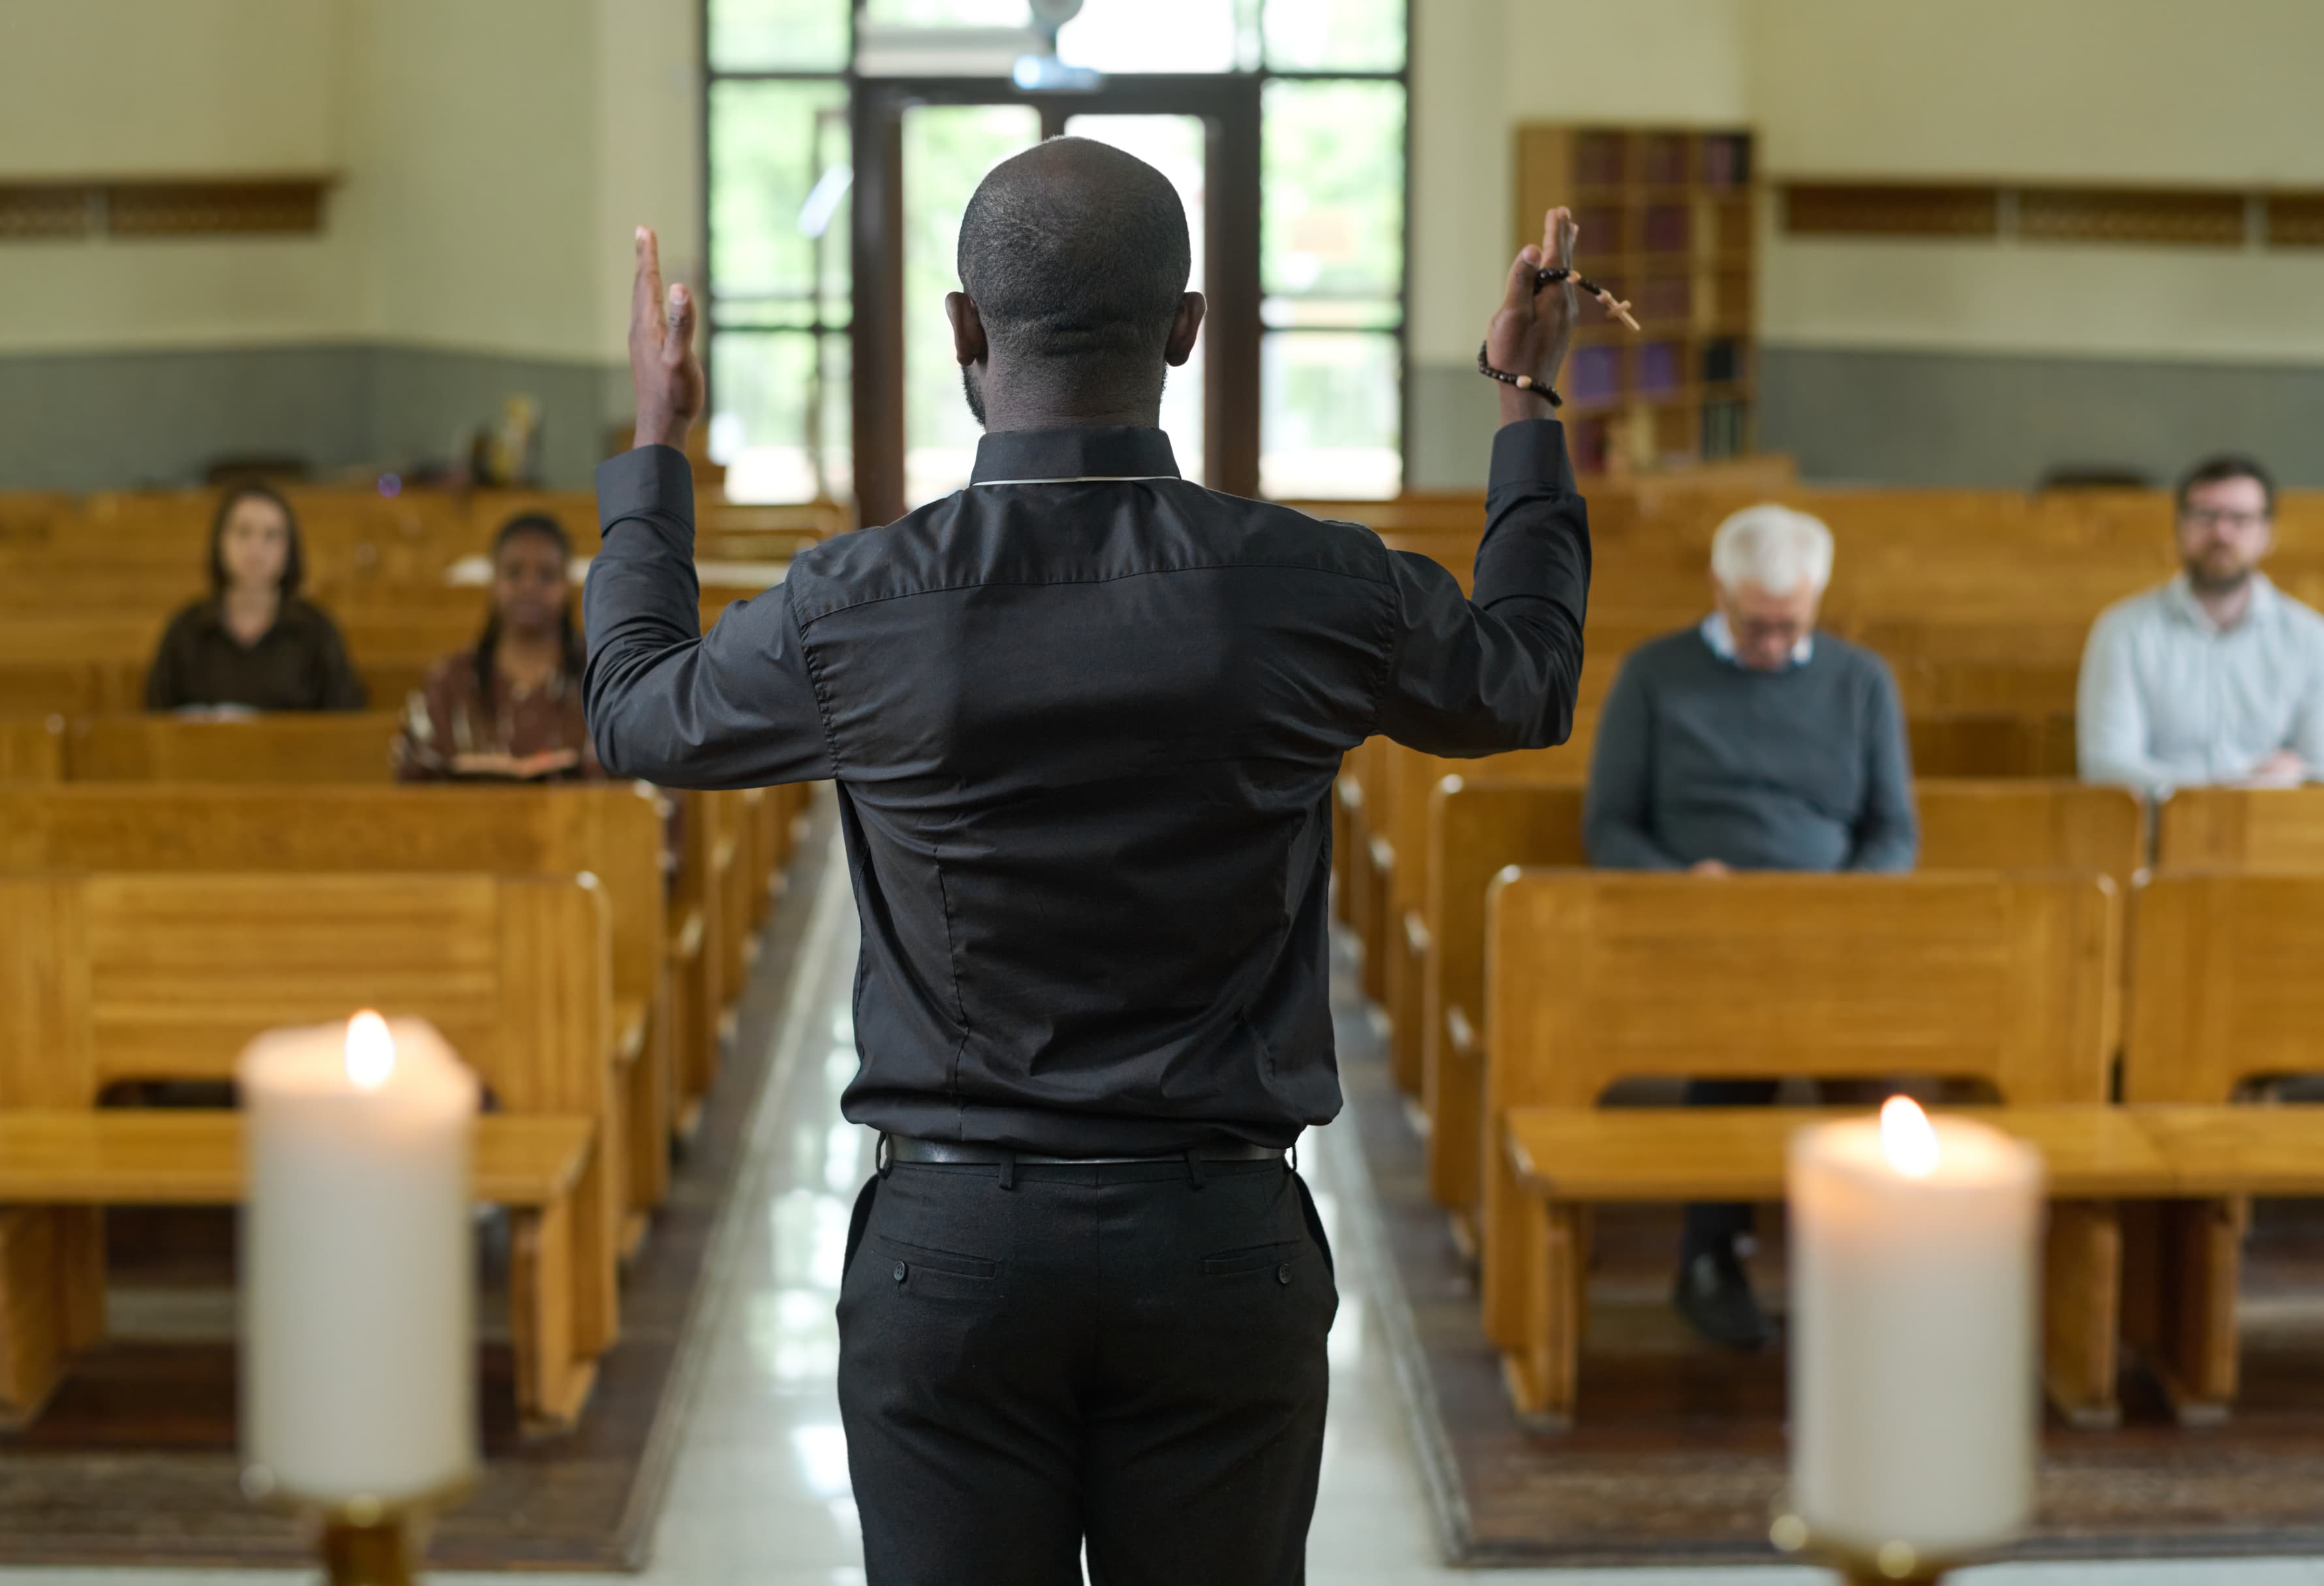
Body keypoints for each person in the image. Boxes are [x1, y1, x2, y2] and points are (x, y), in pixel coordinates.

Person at [585, 146, 1590, 1585]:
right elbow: (1528, 680)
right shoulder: (1312, 584)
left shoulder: (860, 603)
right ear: (1185, 330)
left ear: (964, 335)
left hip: (952, 1247)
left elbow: (631, 707)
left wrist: (656, 444)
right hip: (1222, 1240)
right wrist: (1528, 407)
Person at [1582, 501, 1917, 1352]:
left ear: (1816, 601)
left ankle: (1872, 1266)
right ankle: (1712, 1257)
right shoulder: (1655, 674)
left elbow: (1893, 833)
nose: (1770, 644)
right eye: (1754, 624)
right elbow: (1610, 827)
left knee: (1873, 1055)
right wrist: (1684, 885)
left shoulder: (1860, 679)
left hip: (1832, 924)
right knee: (1743, 1034)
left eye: (1788, 625)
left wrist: (1844, 901)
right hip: (1697, 925)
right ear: (1719, 592)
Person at [2077, 454, 2324, 795]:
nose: (2221, 532)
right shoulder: (2123, 631)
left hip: (2271, 835)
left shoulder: (2311, 637)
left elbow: (2318, 767)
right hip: (2156, 836)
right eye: (2205, 516)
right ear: (2179, 527)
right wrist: (2230, 790)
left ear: (2268, 534)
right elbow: (2106, 764)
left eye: (2240, 519)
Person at [395, 511, 602, 782]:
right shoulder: (450, 681)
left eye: (547, 575)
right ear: (494, 581)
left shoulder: (601, 680)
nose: (529, 586)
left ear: (566, 586)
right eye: (514, 573)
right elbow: (414, 779)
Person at [144, 483, 366, 712]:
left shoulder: (317, 631)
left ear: (289, 550)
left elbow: (346, 721)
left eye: (271, 535)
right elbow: (154, 722)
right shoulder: (186, 629)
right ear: (221, 542)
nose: (256, 548)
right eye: (243, 532)